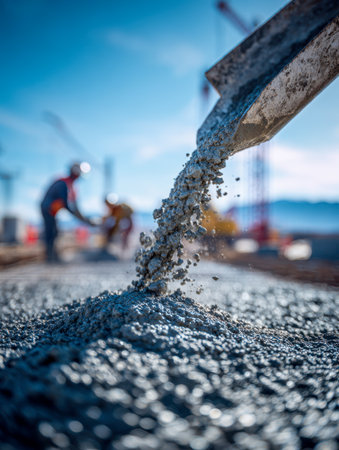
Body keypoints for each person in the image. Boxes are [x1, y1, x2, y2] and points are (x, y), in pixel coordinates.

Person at [40, 162, 93, 262]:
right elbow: (66, 204)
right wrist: (82, 219)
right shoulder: (63, 183)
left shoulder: (71, 186)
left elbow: (75, 207)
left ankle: (52, 255)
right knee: (50, 232)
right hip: (48, 209)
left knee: (54, 232)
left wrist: (84, 219)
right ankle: (50, 256)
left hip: (52, 210)